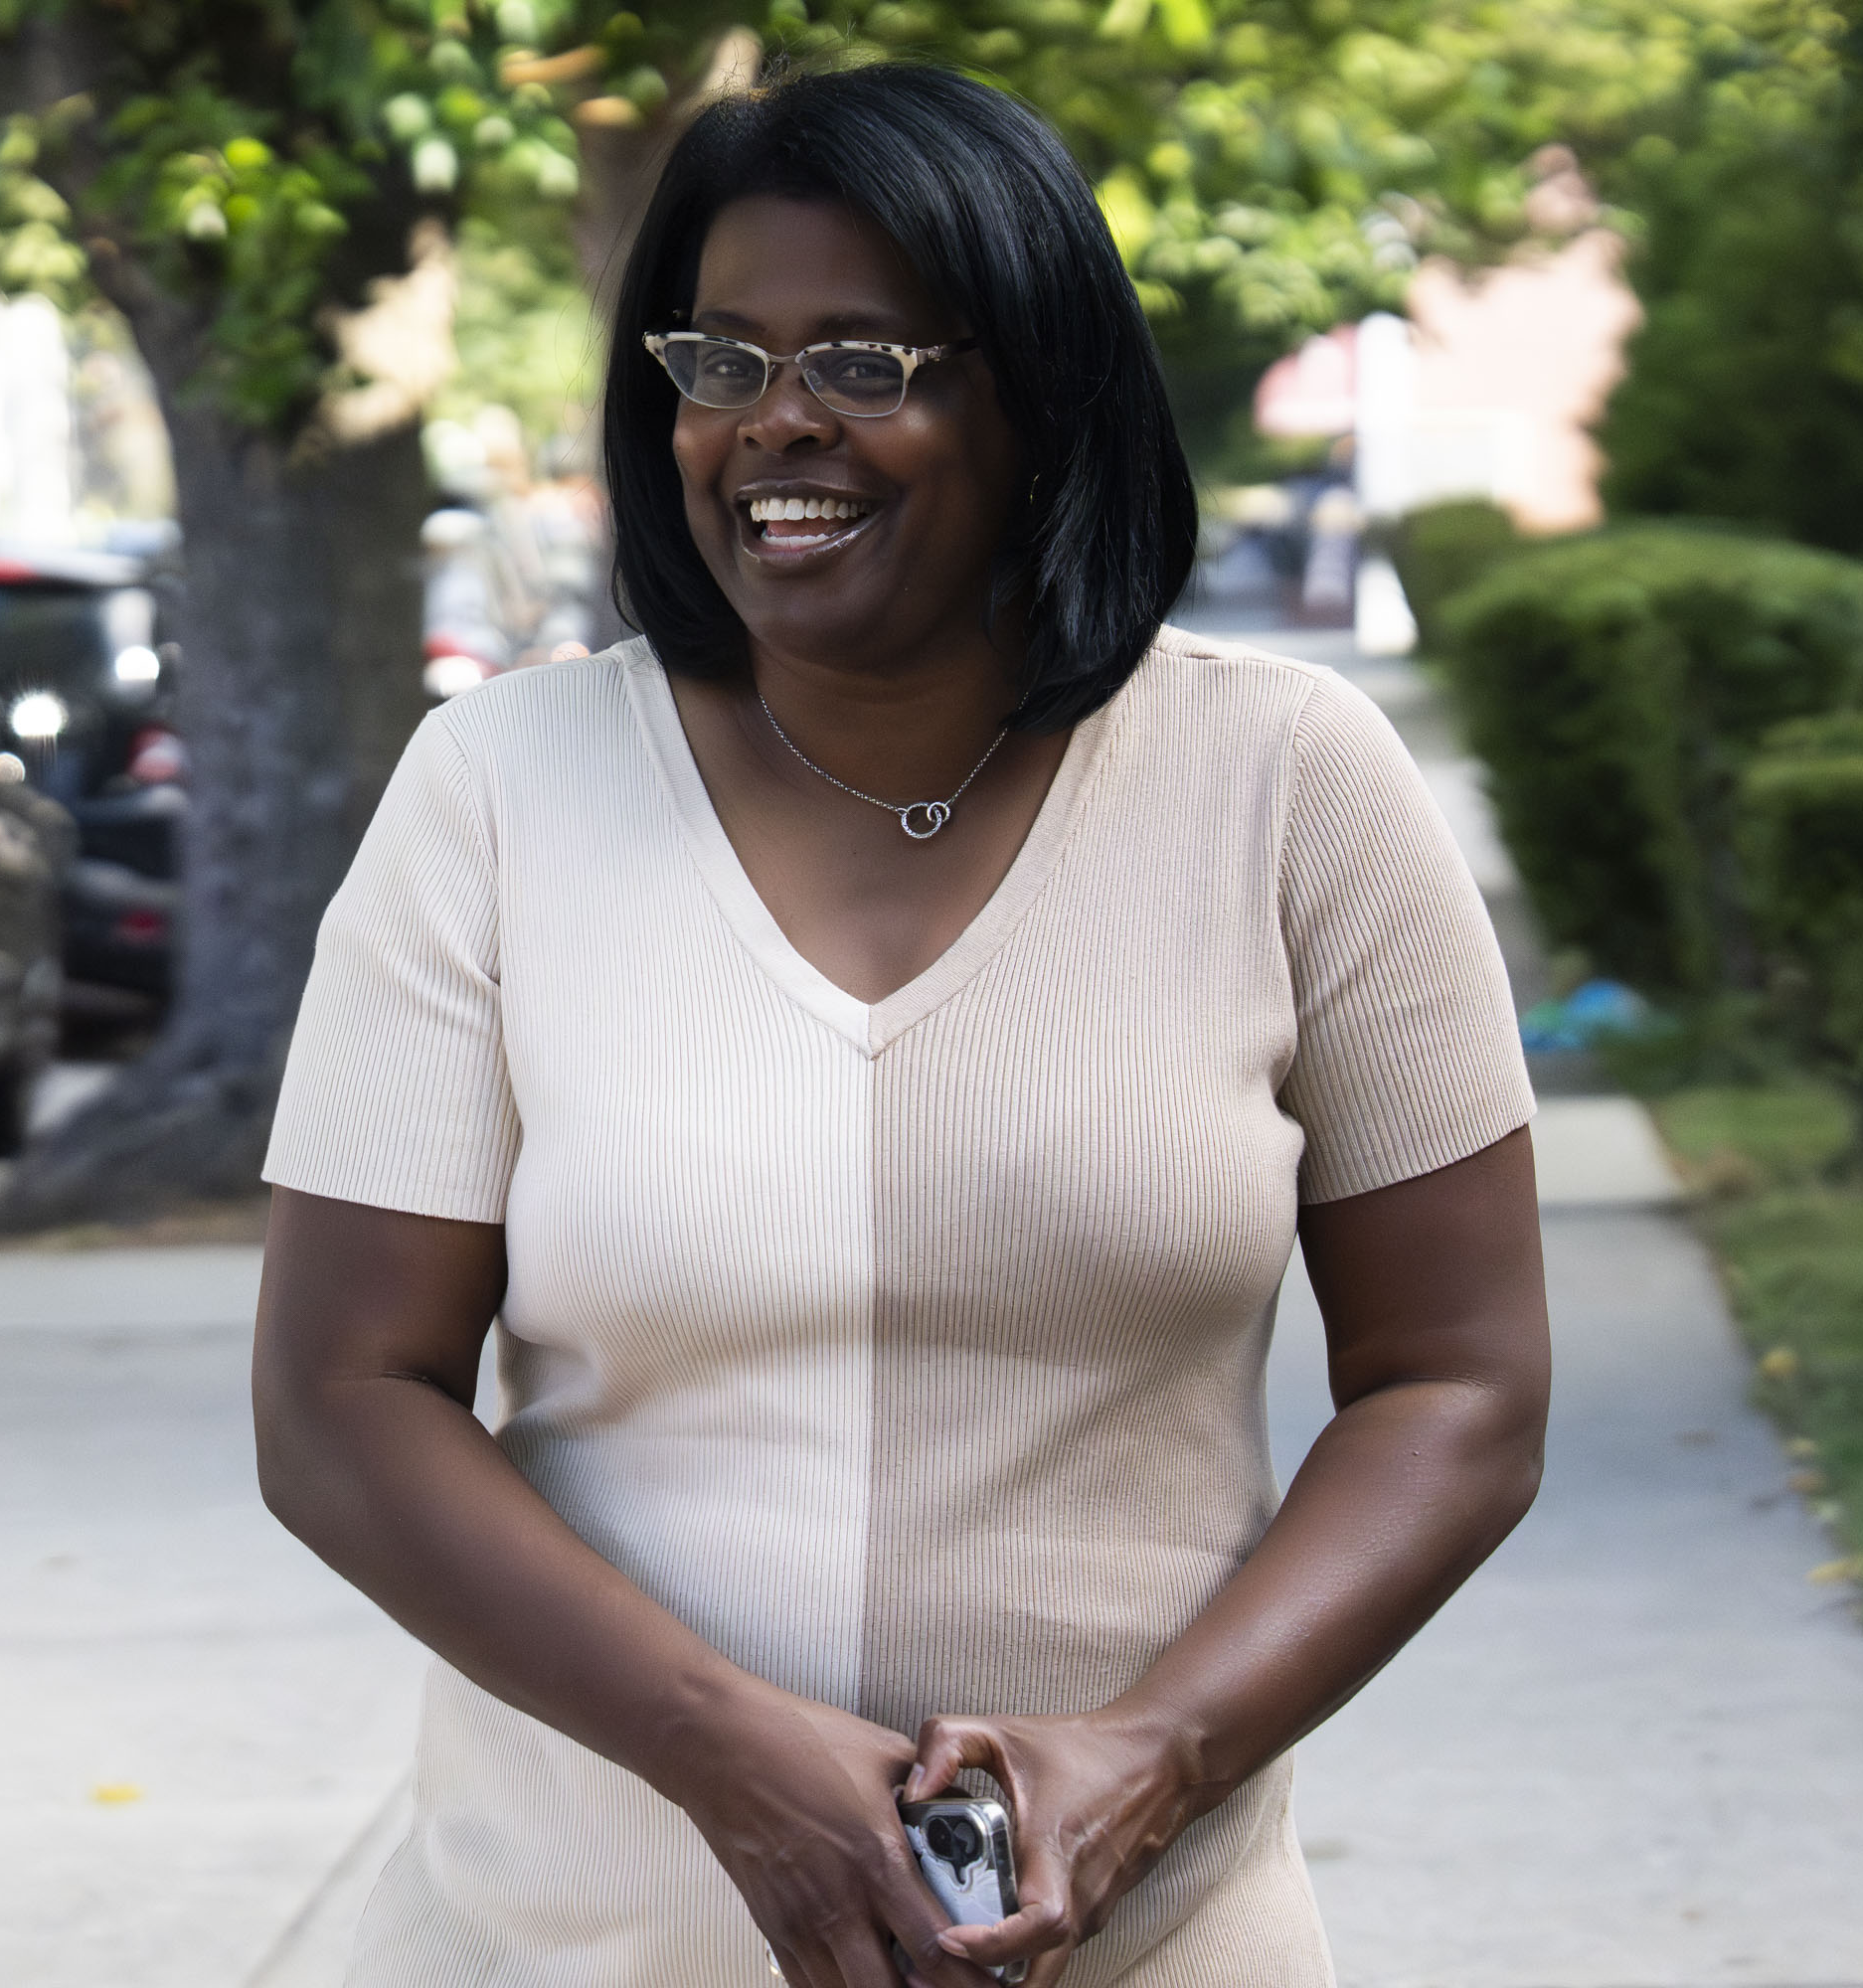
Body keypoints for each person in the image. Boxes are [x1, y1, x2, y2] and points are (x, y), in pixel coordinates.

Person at [253, 62, 1548, 1988]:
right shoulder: (504, 787)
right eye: (721, 360)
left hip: (1141, 1938)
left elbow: (1459, 1386)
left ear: (1039, 393)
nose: (777, 423)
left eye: (867, 359)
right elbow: (342, 1399)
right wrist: (724, 1749)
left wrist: (1150, 1751)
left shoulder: (1288, 784)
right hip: (568, 1933)